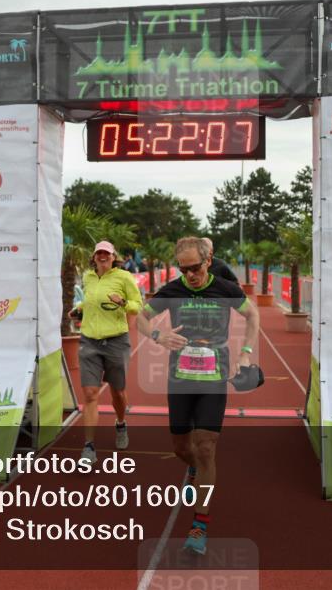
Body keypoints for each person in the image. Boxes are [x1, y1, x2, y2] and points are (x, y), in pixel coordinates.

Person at [136, 236, 260, 555]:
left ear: (208, 261)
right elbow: (140, 317)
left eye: (195, 268)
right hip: (180, 380)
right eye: (183, 268)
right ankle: (192, 468)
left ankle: (199, 525)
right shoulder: (173, 292)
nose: (190, 274)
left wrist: (245, 353)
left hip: (213, 378)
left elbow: (253, 315)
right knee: (181, 447)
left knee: (206, 448)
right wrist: (158, 335)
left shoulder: (225, 289)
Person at [69, 240, 142, 463]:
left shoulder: (124, 277)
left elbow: (137, 305)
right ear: (94, 257)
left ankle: (120, 423)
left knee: (117, 392)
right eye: (99, 253)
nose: (102, 256)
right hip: (89, 341)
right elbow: (89, 301)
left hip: (116, 342)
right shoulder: (89, 277)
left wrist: (122, 302)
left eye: (106, 253)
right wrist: (78, 310)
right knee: (90, 394)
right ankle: (89, 447)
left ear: (113, 256)